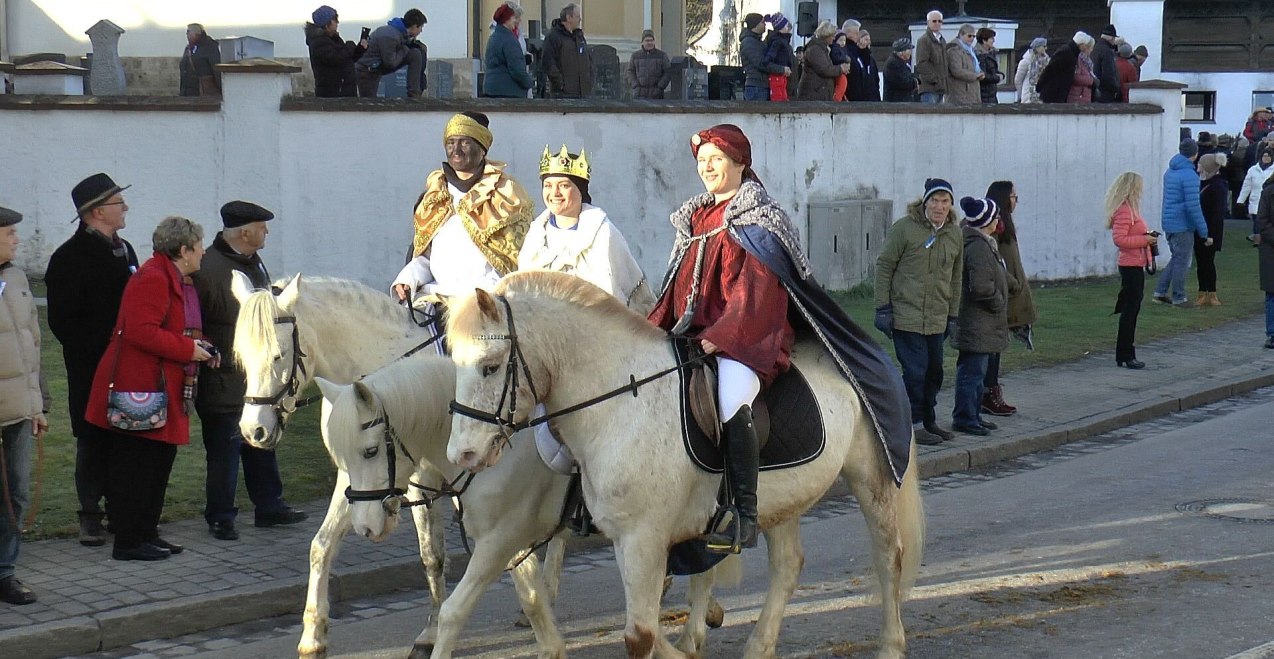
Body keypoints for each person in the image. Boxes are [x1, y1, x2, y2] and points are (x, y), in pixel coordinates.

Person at [649, 124, 911, 553]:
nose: (707, 167)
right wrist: (656, 329)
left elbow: (757, 291)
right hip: (695, 337)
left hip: (749, 337)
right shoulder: (693, 220)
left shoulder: (761, 218)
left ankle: (743, 513)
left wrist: (723, 336)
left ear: (739, 164)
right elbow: (675, 288)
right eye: (702, 161)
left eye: (716, 159)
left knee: (732, 397)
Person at [86, 216, 213, 561]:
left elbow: (177, 329)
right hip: (140, 389)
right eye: (199, 247)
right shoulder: (153, 278)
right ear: (183, 250)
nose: (203, 253)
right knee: (137, 466)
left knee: (158, 462)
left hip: (159, 387)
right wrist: (189, 350)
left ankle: (146, 532)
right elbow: (141, 331)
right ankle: (128, 541)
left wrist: (201, 348)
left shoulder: (172, 278)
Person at [192, 201, 309, 542]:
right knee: (225, 448)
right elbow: (199, 324)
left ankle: (269, 505)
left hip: (255, 374)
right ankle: (221, 516)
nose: (266, 232)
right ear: (245, 232)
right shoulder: (212, 269)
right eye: (262, 226)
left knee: (262, 440)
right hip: (223, 376)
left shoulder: (251, 262)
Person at [44, 172, 139, 547]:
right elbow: (62, 322)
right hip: (92, 366)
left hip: (128, 364)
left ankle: (121, 509)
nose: (125, 207)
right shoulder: (68, 258)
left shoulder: (125, 249)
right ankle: (89, 513)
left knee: (124, 435)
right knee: (92, 436)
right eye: (118, 203)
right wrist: (100, 350)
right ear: (97, 212)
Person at [392, 112, 532, 310]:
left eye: (465, 143)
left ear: (482, 149)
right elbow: (425, 256)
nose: (456, 150)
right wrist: (408, 279)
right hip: (434, 296)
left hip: (485, 302)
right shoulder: (436, 192)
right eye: (450, 143)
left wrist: (483, 295)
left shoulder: (506, 194)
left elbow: (511, 262)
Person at [874, 178, 963, 445]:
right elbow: (884, 266)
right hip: (906, 316)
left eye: (944, 201)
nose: (939, 206)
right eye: (934, 200)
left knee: (935, 372)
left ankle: (928, 420)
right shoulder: (904, 229)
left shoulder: (954, 234)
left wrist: (953, 314)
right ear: (925, 202)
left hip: (937, 317)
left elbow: (956, 277)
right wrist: (883, 308)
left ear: (950, 205)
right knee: (915, 371)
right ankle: (911, 424)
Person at [0, 205, 49, 605]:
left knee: (14, 495)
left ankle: (5, 572)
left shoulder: (16, 278)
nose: (17, 240)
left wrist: (39, 404)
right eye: (9, 234)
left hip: (18, 411)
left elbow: (32, 344)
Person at [951, 197, 1011, 436]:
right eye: (996, 217)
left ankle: (974, 414)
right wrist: (999, 301)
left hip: (983, 323)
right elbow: (981, 286)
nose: (999, 221)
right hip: (977, 321)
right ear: (988, 221)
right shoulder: (977, 247)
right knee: (971, 373)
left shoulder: (984, 243)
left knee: (978, 373)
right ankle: (965, 418)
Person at [982, 181, 1036, 416]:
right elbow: (995, 265)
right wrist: (1012, 284)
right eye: (1014, 196)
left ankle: (990, 391)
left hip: (1009, 295)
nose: (1016, 201)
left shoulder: (1006, 228)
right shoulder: (995, 229)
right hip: (999, 296)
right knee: (990, 350)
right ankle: (987, 394)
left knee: (997, 348)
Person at [1154, 139, 1212, 307]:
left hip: (1169, 221)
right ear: (1195, 154)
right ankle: (1179, 297)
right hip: (1182, 224)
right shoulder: (1190, 176)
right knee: (1182, 261)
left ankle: (1160, 291)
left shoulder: (1170, 172)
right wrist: (1204, 231)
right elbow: (1193, 206)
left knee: (1176, 257)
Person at [1107, 173, 1156, 368]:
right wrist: (1145, 240)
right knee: (1130, 310)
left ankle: (1126, 352)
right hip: (1130, 265)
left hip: (1136, 262)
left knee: (1132, 308)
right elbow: (1119, 239)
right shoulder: (1125, 211)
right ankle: (1126, 353)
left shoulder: (1131, 210)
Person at [355, 8, 427, 98]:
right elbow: (391, 63)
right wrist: (406, 48)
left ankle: (414, 93)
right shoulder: (390, 36)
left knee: (415, 53)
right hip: (366, 71)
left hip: (376, 67)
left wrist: (410, 45)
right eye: (421, 27)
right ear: (414, 26)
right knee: (369, 103)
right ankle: (414, 94)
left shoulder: (400, 33)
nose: (421, 31)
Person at [305, 5, 368, 98]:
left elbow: (347, 59)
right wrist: (350, 44)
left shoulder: (333, 39)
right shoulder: (318, 42)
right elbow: (338, 58)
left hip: (344, 91)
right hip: (333, 94)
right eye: (335, 19)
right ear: (327, 24)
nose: (337, 22)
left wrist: (360, 49)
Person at [1195, 154, 1229, 306]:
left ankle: (1211, 292)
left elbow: (1217, 214)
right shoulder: (1203, 183)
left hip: (1210, 231)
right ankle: (1202, 292)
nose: (1198, 167)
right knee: (1201, 262)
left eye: (1201, 165)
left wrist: (1211, 236)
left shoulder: (1217, 186)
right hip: (1200, 230)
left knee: (1208, 262)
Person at [542, 3, 594, 99]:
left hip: (583, 93)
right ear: (569, 18)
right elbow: (548, 62)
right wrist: (561, 84)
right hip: (564, 94)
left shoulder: (579, 37)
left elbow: (588, 59)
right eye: (577, 16)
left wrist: (589, 80)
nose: (580, 20)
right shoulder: (553, 37)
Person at [484, 2, 533, 99]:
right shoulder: (509, 39)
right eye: (515, 17)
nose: (518, 21)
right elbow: (516, 70)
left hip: (492, 89)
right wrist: (529, 83)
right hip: (509, 91)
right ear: (506, 19)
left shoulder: (494, 37)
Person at [1037, 32, 1093, 104]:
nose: (1086, 47)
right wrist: (1040, 85)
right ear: (1081, 44)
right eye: (1085, 45)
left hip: (1058, 91)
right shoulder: (1066, 52)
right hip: (1054, 92)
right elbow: (1050, 69)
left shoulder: (1071, 52)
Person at [796, 21, 843, 102]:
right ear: (826, 35)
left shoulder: (821, 48)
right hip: (813, 95)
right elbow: (824, 69)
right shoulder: (815, 49)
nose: (834, 38)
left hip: (818, 93)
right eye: (832, 36)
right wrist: (840, 69)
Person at [1256, 173, 1274, 347]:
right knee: (1272, 293)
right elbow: (1262, 220)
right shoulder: (1268, 192)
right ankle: (1272, 333)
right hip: (1271, 249)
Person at [179, 23, 221, 97]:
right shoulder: (188, 48)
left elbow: (216, 69)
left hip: (203, 92)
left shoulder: (210, 47)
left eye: (188, 32)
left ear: (197, 33)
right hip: (188, 92)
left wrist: (221, 89)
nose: (187, 35)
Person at [945, 24, 982, 105]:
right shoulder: (954, 50)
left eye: (974, 36)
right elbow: (956, 71)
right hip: (960, 93)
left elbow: (975, 67)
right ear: (961, 35)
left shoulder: (970, 50)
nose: (972, 38)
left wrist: (980, 73)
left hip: (972, 92)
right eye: (969, 36)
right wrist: (975, 76)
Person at [915, 10, 947, 104]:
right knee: (929, 117)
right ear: (928, 22)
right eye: (934, 21)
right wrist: (935, 80)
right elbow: (921, 64)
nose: (937, 23)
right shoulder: (924, 40)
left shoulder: (942, 40)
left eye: (939, 21)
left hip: (940, 88)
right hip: (928, 88)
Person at [626, 29, 670, 100]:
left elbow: (667, 72)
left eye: (651, 40)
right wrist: (635, 86)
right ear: (642, 42)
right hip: (639, 94)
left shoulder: (662, 55)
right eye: (647, 40)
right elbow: (630, 72)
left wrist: (660, 86)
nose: (650, 42)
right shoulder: (635, 56)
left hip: (657, 95)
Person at [761, 14, 795, 102]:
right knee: (778, 97)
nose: (789, 28)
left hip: (782, 74)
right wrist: (767, 59)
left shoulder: (782, 40)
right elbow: (771, 54)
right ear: (781, 28)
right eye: (786, 26)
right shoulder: (777, 41)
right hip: (777, 74)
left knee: (782, 94)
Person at [1239, 146, 1274, 231]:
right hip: (1255, 201)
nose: (1266, 158)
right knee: (1257, 225)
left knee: (1267, 225)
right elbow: (1246, 186)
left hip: (1269, 202)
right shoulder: (1253, 170)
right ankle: (1257, 240)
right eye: (1264, 156)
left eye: (1268, 156)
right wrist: (1241, 200)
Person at [1090, 24, 1121, 103]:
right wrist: (1115, 89)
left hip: (1094, 89)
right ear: (1111, 38)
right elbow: (1108, 74)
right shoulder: (1107, 52)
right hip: (1105, 92)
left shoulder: (1094, 48)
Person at [849, 30, 880, 102]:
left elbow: (876, 79)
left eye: (869, 40)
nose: (868, 42)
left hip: (873, 98)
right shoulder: (855, 56)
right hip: (860, 98)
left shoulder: (871, 60)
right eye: (866, 39)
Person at [1015, 37, 1049, 103]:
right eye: (1044, 46)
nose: (1046, 48)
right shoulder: (1026, 61)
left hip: (1042, 95)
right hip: (1028, 96)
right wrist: (1021, 94)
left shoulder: (1046, 60)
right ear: (1037, 47)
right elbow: (1018, 80)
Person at [883, 38, 918, 102]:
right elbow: (903, 82)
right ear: (902, 52)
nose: (910, 52)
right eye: (909, 49)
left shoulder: (901, 63)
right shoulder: (893, 64)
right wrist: (915, 82)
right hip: (896, 103)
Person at [974, 28, 1002, 104]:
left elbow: (994, 70)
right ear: (984, 40)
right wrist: (997, 77)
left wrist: (1001, 74)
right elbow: (982, 75)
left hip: (992, 93)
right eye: (991, 38)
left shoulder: (991, 53)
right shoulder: (979, 55)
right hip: (984, 94)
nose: (993, 41)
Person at [829, 32, 851, 102]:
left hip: (842, 71)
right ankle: (837, 98)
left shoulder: (844, 49)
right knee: (842, 83)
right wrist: (845, 59)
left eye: (844, 41)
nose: (843, 42)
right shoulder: (835, 48)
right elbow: (836, 58)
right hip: (838, 70)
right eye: (841, 40)